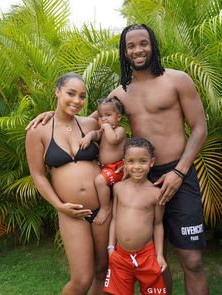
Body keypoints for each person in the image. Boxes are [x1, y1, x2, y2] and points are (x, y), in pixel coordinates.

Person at [26, 23, 209, 295]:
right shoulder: (119, 93)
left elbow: (200, 128)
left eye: (143, 43)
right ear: (124, 52)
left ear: (153, 45)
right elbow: (84, 119)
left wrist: (180, 172)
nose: (138, 50)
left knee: (192, 260)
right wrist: (52, 114)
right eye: (130, 46)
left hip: (178, 175)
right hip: (138, 178)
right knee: (155, 257)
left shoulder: (177, 80)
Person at [25, 72, 111, 295]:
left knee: (102, 270)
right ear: (57, 91)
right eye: (71, 93)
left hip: (103, 209)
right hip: (72, 212)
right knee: (82, 279)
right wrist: (59, 206)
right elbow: (38, 175)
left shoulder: (90, 123)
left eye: (82, 96)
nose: (77, 101)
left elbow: (115, 106)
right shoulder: (38, 131)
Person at [104, 137, 168, 295]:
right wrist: (111, 248)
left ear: (151, 162)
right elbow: (115, 219)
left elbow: (158, 225)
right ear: (124, 162)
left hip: (146, 256)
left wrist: (159, 255)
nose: (137, 167)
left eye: (142, 161)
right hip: (120, 255)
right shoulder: (118, 188)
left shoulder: (156, 193)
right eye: (131, 161)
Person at [79, 96, 127, 225]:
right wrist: (89, 136)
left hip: (118, 166)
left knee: (100, 181)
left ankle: (105, 208)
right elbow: (96, 134)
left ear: (118, 117)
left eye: (108, 115)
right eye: (100, 116)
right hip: (106, 168)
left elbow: (113, 140)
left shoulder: (119, 130)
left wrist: (106, 127)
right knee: (97, 181)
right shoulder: (104, 130)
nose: (103, 119)